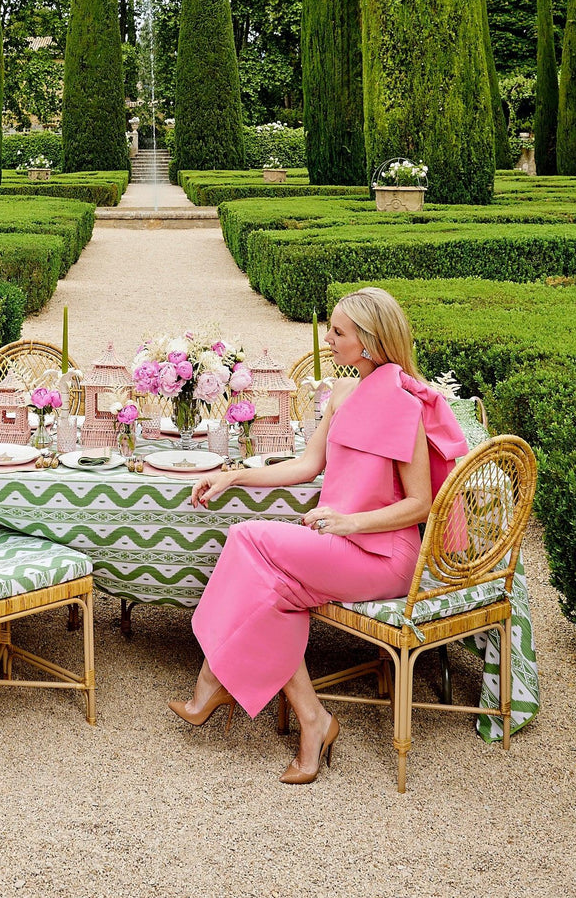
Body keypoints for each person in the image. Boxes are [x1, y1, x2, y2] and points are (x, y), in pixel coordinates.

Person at [170, 287, 468, 783]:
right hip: (341, 547)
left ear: (368, 342)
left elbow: (420, 503)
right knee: (272, 592)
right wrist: (234, 475)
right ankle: (314, 721)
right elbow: (307, 465)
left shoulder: (404, 404)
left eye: (337, 331)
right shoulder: (342, 393)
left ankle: (213, 678)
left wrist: (352, 522)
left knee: (245, 537)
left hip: (383, 556)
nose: (327, 339)